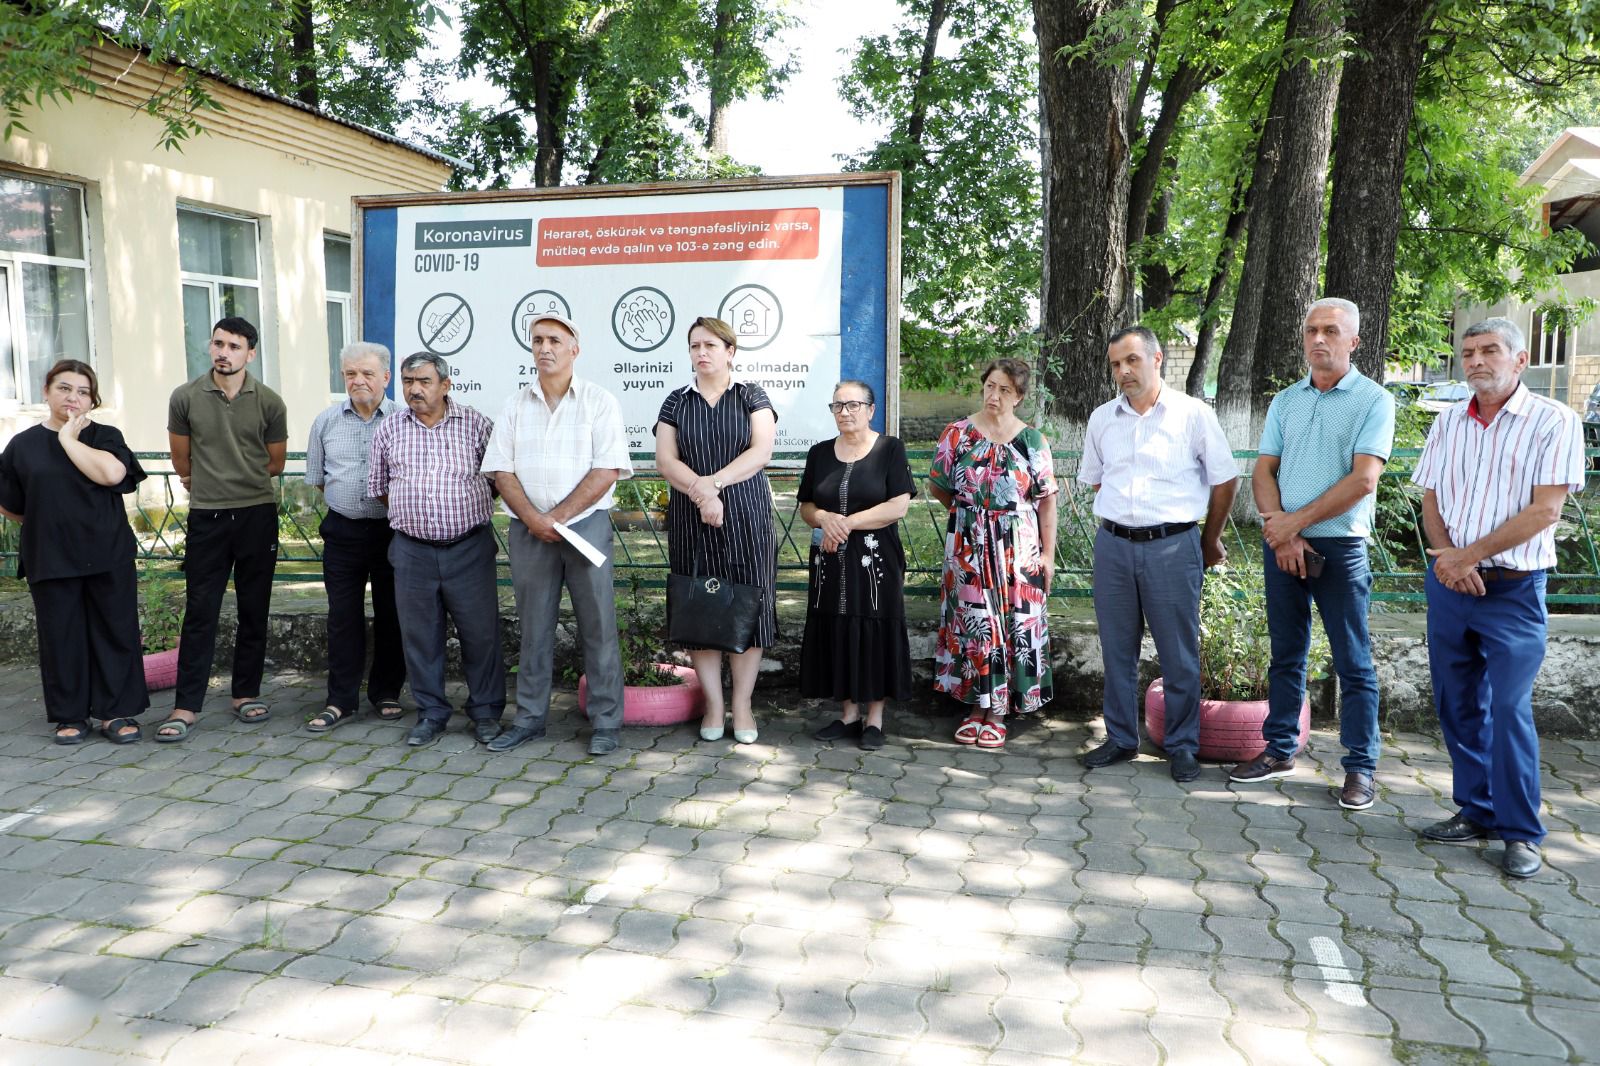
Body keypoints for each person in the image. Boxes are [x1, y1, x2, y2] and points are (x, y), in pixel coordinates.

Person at [1413, 318, 1586, 879]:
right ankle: (1477, 810)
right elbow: (1431, 497)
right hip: (1451, 585)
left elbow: (1545, 510)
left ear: (1520, 359)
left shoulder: (1554, 421)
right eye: (1468, 353)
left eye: (1489, 350)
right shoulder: (1448, 421)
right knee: (1457, 702)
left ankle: (1521, 832)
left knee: (1509, 709)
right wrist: (1449, 558)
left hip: (1513, 589)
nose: (1476, 361)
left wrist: (1469, 556)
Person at [1232, 297, 1395, 809]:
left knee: (1353, 661)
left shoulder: (1373, 401)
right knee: (1286, 653)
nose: (1319, 339)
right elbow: (1263, 470)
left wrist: (1292, 526)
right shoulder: (1286, 401)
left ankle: (1360, 767)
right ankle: (1280, 749)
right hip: (1283, 542)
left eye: (1331, 330)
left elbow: (1364, 479)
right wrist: (1280, 532)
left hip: (1340, 546)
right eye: (1311, 330)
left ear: (1355, 341)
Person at [1078, 328, 1239, 780]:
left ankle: (1183, 745)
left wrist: (1209, 539)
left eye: (1132, 360)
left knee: (1178, 653)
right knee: (1116, 649)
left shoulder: (1193, 414)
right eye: (1116, 364)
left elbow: (1225, 479)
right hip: (1113, 546)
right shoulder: (1102, 419)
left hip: (1172, 546)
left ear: (1157, 358)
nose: (1124, 371)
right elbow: (1099, 480)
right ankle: (1120, 738)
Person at [481, 312, 634, 756]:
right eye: (537, 340)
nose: (544, 348)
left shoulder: (599, 401)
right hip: (529, 530)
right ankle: (529, 720)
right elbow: (501, 470)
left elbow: (607, 469)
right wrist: (534, 519)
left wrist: (557, 517)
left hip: (585, 527)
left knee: (598, 626)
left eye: (554, 340)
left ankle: (606, 723)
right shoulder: (515, 405)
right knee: (533, 628)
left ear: (574, 349)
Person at [0, 360, 148, 744]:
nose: (73, 397)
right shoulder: (23, 445)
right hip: (50, 556)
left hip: (107, 552)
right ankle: (71, 715)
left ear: (92, 400)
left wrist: (68, 439)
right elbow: (11, 503)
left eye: (83, 392)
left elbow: (112, 475)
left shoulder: (105, 436)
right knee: (61, 637)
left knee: (115, 632)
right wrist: (47, 520)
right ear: (46, 392)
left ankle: (115, 712)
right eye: (64, 388)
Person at [159, 316, 287, 742]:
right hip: (208, 516)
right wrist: (207, 483)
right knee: (200, 610)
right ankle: (185, 706)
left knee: (254, 607)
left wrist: (238, 478)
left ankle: (245, 693)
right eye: (218, 343)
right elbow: (181, 460)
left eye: (234, 346)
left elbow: (275, 463)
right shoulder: (185, 397)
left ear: (250, 353)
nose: (223, 352)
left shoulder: (270, 402)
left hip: (256, 514)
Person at [368, 352, 506, 747]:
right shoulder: (390, 428)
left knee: (480, 635)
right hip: (412, 552)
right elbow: (379, 487)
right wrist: (416, 515)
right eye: (408, 381)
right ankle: (431, 713)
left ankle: (485, 712)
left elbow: (498, 480)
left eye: (424, 381)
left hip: (469, 548)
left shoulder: (476, 424)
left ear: (445, 385)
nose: (414, 389)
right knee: (420, 637)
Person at [655, 316, 778, 744]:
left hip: (746, 514)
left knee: (748, 605)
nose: (701, 352)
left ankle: (742, 705)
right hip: (691, 516)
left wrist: (715, 485)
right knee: (700, 605)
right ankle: (713, 704)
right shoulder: (676, 401)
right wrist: (702, 494)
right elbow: (666, 460)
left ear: (730, 351)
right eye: (695, 346)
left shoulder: (751, 395)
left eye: (710, 345)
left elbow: (761, 451)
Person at [929, 357, 1058, 749]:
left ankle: (999, 713)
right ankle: (975, 708)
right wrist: (972, 517)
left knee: (1013, 624)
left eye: (1005, 390)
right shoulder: (958, 433)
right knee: (975, 624)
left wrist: (1048, 556)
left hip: (1019, 549)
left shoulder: (1032, 441)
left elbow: (1047, 501)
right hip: (968, 546)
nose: (994, 396)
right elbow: (939, 486)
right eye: (990, 386)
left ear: (1018, 397)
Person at [799, 381, 916, 751]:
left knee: (874, 626)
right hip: (830, 559)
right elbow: (806, 506)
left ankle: (875, 719)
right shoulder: (819, 453)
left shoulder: (889, 449)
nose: (844, 412)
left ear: (871, 409)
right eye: (837, 405)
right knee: (837, 625)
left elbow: (898, 505)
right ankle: (848, 715)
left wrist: (846, 523)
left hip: (875, 560)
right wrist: (824, 518)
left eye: (853, 404)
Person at [303, 341, 406, 732]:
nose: (358, 380)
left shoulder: (404, 420)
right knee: (342, 616)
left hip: (392, 531)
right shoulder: (325, 422)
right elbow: (319, 480)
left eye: (366, 373)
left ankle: (386, 692)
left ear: (386, 377)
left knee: (391, 614)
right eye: (350, 374)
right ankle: (340, 700)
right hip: (343, 531)